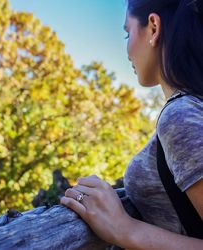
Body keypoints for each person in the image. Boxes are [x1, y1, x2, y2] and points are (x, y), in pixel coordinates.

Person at [60, 0, 203, 249]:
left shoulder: (180, 117)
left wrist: (125, 229)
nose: (127, 49)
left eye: (127, 32)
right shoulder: (192, 108)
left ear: (154, 27)